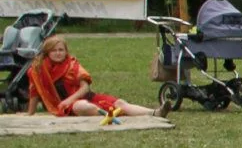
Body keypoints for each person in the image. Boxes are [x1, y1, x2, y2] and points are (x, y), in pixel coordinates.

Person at [25, 35, 158, 119]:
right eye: (54, 51)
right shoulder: (37, 70)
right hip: (66, 106)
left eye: (61, 50)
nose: (58, 53)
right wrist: (30, 113)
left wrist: (69, 99)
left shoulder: (72, 64)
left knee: (120, 102)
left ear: (66, 51)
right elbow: (34, 92)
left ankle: (155, 113)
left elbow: (85, 88)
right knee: (83, 107)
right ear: (47, 53)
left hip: (84, 97)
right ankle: (110, 115)